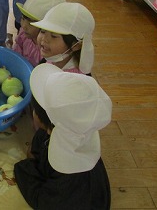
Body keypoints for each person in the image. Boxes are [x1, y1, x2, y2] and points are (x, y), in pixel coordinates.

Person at [14, 63, 112, 209]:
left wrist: (23, 168)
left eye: (34, 110)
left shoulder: (69, 177)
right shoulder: (76, 130)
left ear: (40, 118)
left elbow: (44, 201)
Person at [32, 2, 95, 75]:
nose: (44, 38)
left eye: (54, 36)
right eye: (42, 31)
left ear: (76, 45)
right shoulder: (50, 59)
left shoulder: (72, 79)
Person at [13, 0, 65, 67]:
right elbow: (18, 48)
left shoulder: (50, 49)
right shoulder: (24, 34)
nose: (24, 26)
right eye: (23, 18)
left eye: (31, 22)